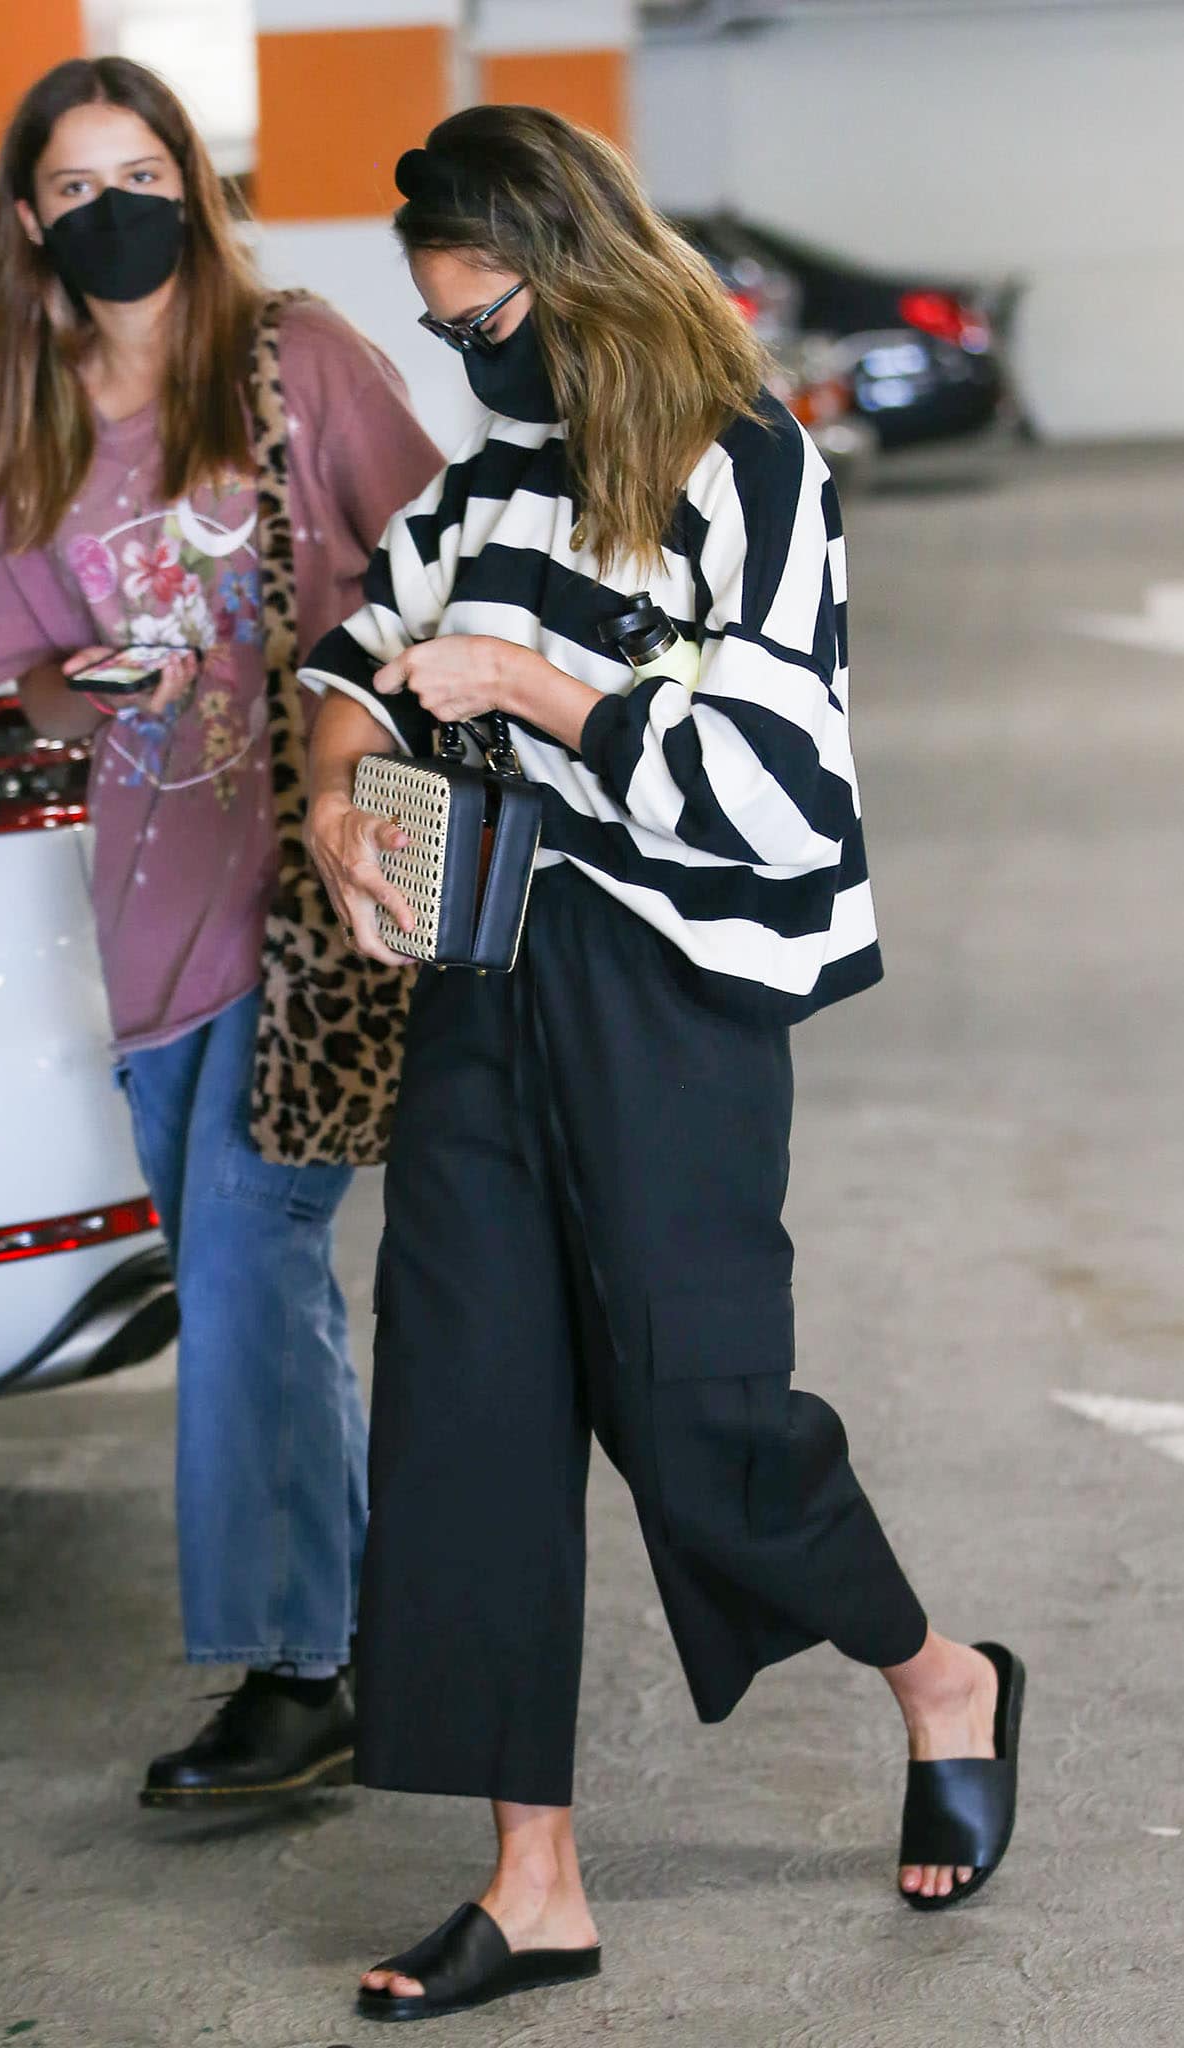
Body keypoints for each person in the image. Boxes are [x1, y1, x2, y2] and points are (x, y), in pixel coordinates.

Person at [303, 106, 1025, 2022]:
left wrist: (536, 685)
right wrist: (332, 797)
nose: (474, 364)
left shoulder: (746, 465)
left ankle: (935, 1670)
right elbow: (351, 650)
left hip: (670, 986)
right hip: (485, 973)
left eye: (487, 322)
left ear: (574, 265)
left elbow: (787, 790)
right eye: (446, 333)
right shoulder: (486, 484)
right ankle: (530, 1880)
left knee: (698, 1409)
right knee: (464, 1407)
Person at [0, 57, 440, 1805]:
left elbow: (443, 557)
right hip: (146, 911)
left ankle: (299, 1674)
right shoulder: (26, 415)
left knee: (241, 1265)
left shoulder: (296, 359)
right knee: (258, 1288)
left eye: (139, 172)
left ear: (195, 183)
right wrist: (74, 685)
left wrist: (345, 702)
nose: (111, 211)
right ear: (29, 221)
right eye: (74, 189)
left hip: (314, 906)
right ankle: (368, 1635)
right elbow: (18, 689)